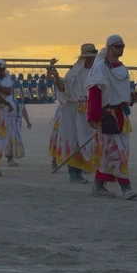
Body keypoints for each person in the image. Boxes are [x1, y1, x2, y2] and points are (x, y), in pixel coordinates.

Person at [86, 35, 137, 200]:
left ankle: (98, 185)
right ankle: (126, 187)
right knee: (116, 152)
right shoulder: (100, 67)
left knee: (113, 152)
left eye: (123, 46)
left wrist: (132, 98)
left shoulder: (122, 68)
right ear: (109, 47)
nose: (121, 49)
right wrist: (92, 116)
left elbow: (121, 93)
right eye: (117, 46)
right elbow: (95, 92)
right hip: (107, 116)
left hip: (121, 115)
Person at [49, 43, 98, 184]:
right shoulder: (75, 73)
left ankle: (91, 170)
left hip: (92, 110)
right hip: (75, 110)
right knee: (75, 140)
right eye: (90, 57)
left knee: (93, 140)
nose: (92, 60)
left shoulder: (98, 72)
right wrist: (56, 76)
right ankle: (75, 173)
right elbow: (63, 88)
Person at [4, 88, 32, 166]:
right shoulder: (8, 98)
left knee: (17, 139)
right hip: (9, 120)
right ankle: (9, 158)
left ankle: (13, 156)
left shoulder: (20, 99)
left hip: (18, 121)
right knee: (10, 139)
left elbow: (24, 111)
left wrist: (28, 121)